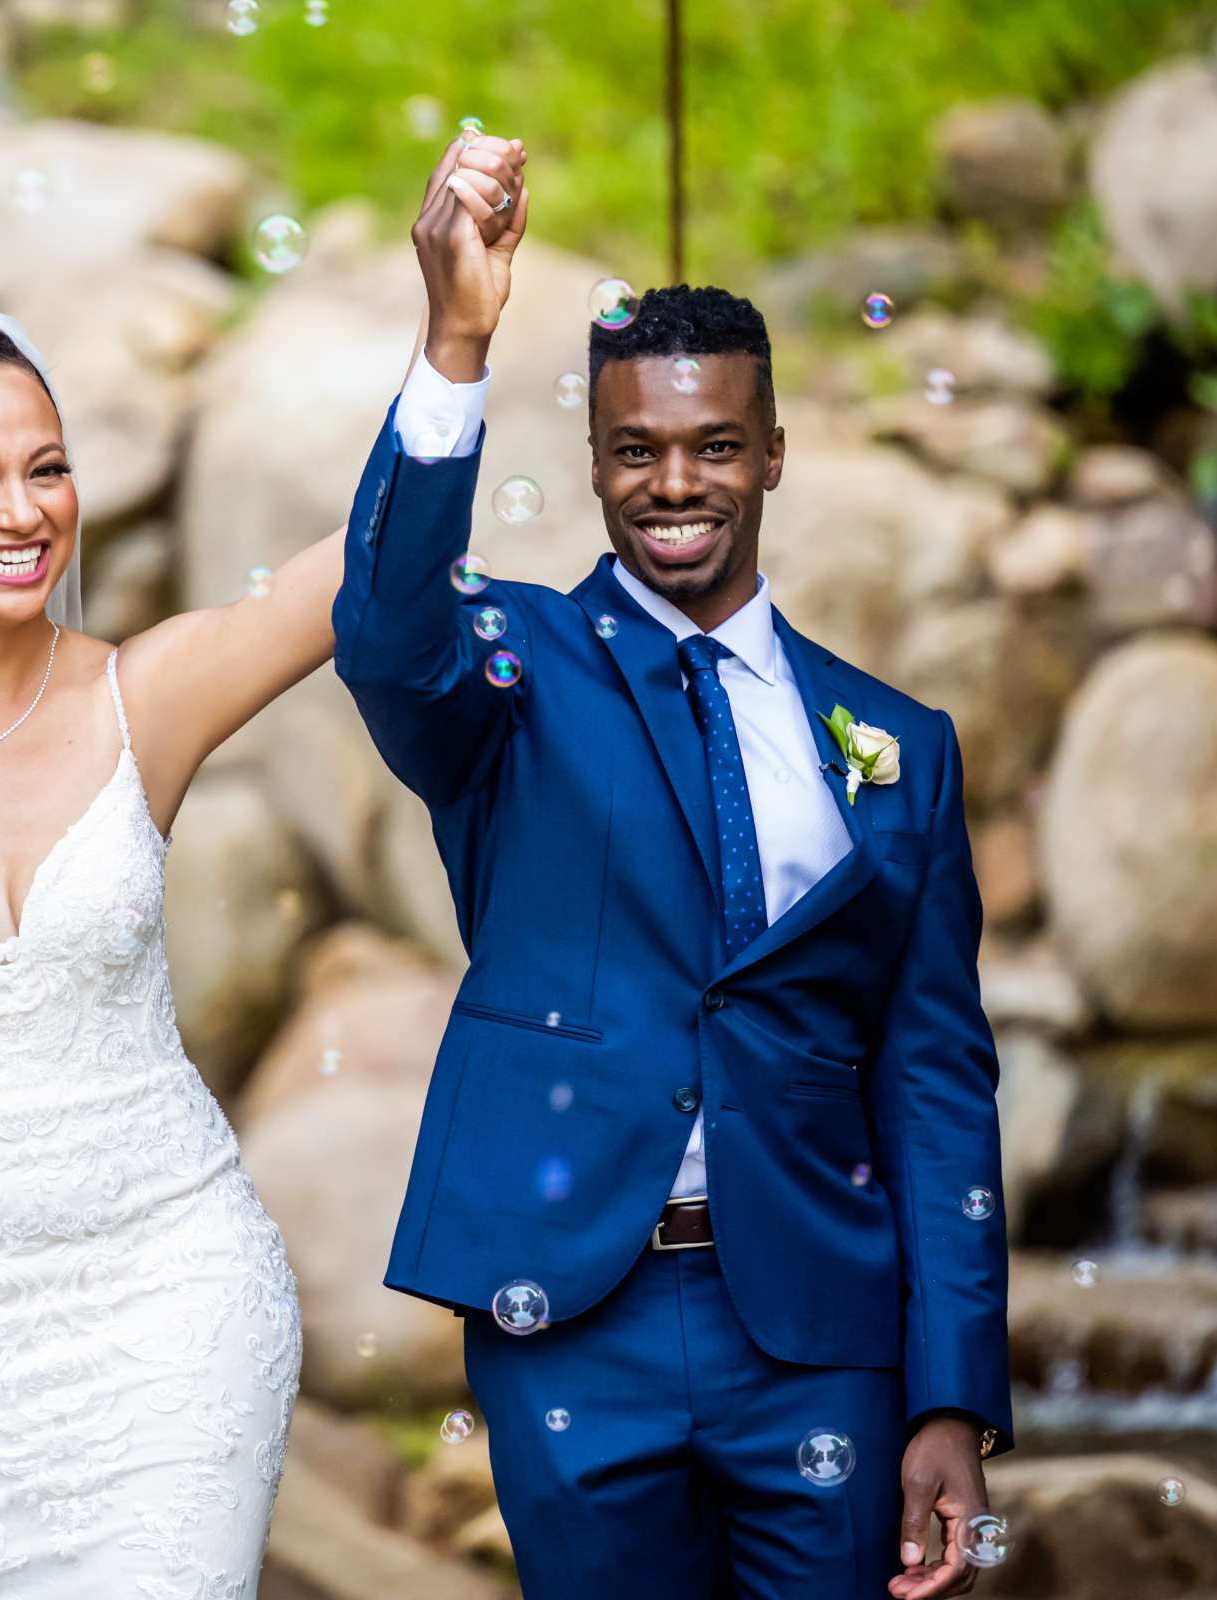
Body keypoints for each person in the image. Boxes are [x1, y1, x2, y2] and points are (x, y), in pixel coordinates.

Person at [0, 129, 528, 1600]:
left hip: (161, 1314)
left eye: (50, 470)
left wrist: (452, 333)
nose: (25, 512)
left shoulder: (150, 695)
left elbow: (367, 563)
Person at [332, 149, 1013, 1598]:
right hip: (575, 1314)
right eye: (635, 448)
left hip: (822, 1330)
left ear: (773, 453)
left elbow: (937, 1074)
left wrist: (953, 1396)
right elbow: (386, 634)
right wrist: (456, 338)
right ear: (592, 462)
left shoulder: (902, 744)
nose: (675, 483)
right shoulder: (512, 675)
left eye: (714, 445)